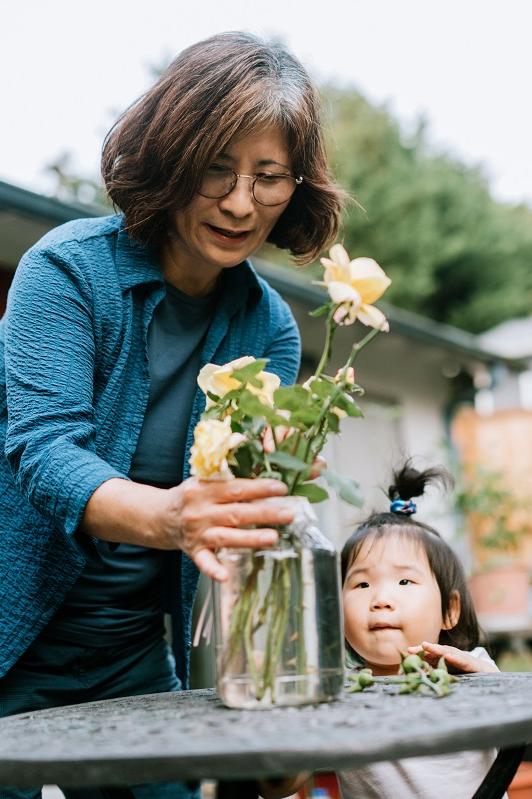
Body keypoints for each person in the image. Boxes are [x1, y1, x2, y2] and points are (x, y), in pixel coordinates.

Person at [0, 32, 344, 799]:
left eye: (269, 176)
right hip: (10, 641)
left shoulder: (271, 328)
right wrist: (171, 517)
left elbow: (240, 517)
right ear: (170, 155)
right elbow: (44, 450)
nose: (238, 202)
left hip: (134, 657)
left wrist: (275, 478)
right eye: (216, 167)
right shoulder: (65, 273)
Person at [259, 462, 502, 799]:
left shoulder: (472, 669)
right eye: (361, 584)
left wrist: (492, 683)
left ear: (450, 610)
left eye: (404, 581)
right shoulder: (338, 689)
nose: (381, 599)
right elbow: (281, 785)